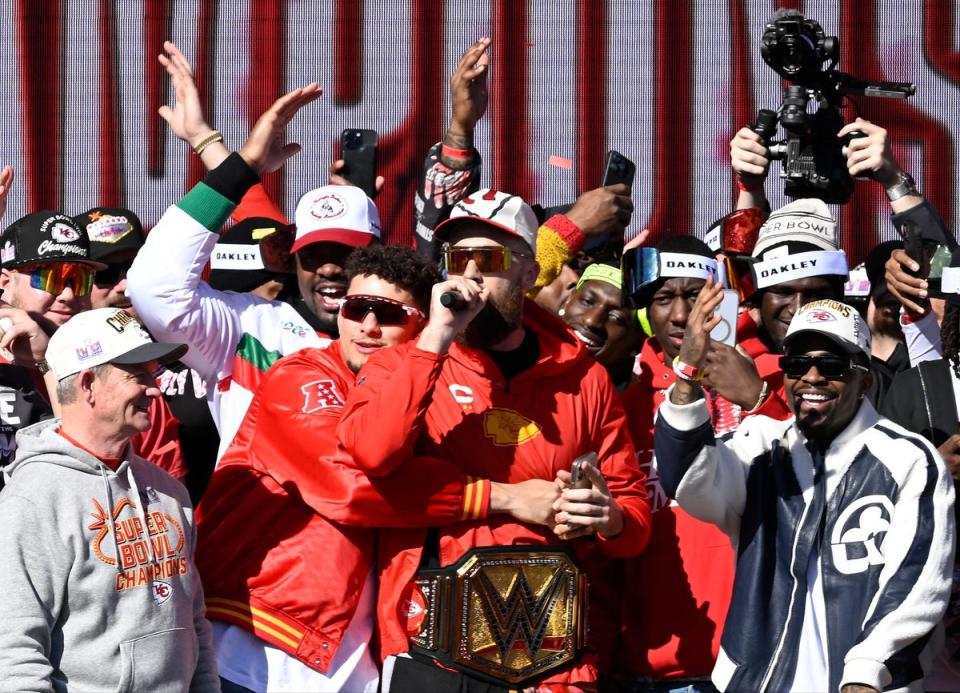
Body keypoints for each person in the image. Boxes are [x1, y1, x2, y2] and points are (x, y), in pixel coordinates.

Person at [198, 244, 564, 693]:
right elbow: (350, 488)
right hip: (262, 642)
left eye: (388, 314)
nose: (367, 327)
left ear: (422, 322)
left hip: (358, 657)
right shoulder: (303, 375)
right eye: (356, 308)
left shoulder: (422, 392)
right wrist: (504, 497)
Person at [338, 189, 651, 690]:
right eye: (457, 259)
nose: (471, 274)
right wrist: (435, 339)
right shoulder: (401, 364)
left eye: (488, 258)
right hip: (432, 651)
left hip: (554, 661)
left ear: (529, 274)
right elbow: (372, 457)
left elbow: (633, 520)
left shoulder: (583, 377)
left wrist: (608, 517)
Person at [654, 287, 954, 692]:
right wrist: (687, 371)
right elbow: (687, 478)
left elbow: (916, 584)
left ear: (863, 380)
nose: (812, 378)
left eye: (832, 365)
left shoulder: (908, 459)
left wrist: (866, 672)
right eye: (797, 364)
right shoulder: (760, 447)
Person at [0, 307, 219, 692]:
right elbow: (14, 650)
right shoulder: (33, 499)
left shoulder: (169, 492)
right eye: (138, 375)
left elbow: (194, 622)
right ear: (87, 385)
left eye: (153, 373)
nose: (154, 388)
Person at [127, 76, 339, 459]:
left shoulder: (414, 329)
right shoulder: (247, 327)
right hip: (263, 515)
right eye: (309, 255)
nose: (330, 268)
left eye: (347, 253)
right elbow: (156, 287)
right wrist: (241, 162)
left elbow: (255, 208)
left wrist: (213, 147)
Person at [616, 235, 790, 691]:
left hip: (768, 660)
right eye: (663, 298)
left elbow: (822, 481)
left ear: (723, 300)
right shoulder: (620, 403)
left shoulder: (777, 378)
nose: (680, 315)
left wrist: (761, 401)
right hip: (660, 669)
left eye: (695, 295)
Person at [558, 262, 643, 390]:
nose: (591, 320)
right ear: (568, 300)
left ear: (637, 341)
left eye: (615, 317)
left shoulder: (637, 406)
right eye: (587, 301)